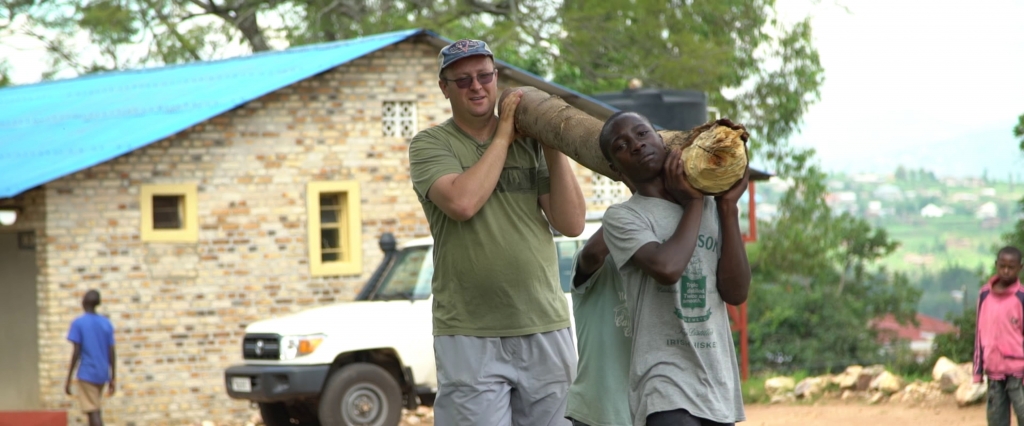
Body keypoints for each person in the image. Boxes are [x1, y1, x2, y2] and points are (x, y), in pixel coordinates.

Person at [408, 38, 586, 426]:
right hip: (470, 332)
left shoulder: (532, 146)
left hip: (544, 321)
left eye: (485, 76)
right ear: (444, 88)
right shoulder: (430, 145)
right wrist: (504, 134)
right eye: (463, 80)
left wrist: (552, 145)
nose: (477, 86)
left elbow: (571, 223)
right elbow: (462, 203)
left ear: (496, 78)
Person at [599, 111, 750, 426]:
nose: (637, 145)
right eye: (622, 146)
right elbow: (667, 268)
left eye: (642, 134)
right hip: (662, 382)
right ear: (616, 168)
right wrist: (693, 203)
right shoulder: (625, 218)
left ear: (661, 140)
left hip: (716, 382)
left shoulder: (711, 205)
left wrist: (727, 208)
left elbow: (735, 292)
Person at [565, 225, 633, 426]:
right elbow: (592, 254)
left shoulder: (663, 261)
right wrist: (630, 211)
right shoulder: (602, 261)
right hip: (600, 413)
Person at [973, 246, 1024, 426]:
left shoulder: (1021, 297)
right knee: (996, 419)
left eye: (1011, 267)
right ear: (996, 265)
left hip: (1019, 371)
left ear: (1020, 268)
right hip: (994, 369)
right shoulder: (985, 295)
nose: (1006, 271)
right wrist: (977, 371)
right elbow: (979, 333)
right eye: (1002, 266)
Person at [65, 289, 116, 426]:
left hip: (87, 372)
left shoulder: (79, 323)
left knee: (93, 411)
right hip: (102, 373)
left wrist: (69, 378)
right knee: (94, 407)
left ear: (84, 302)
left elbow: (76, 351)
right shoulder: (106, 323)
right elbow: (112, 351)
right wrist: (112, 376)